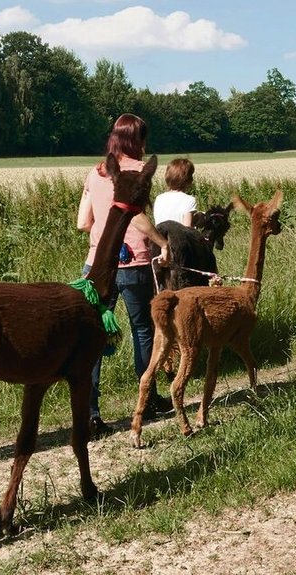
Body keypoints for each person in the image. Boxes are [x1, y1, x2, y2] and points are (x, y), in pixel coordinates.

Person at [77, 114, 172, 436]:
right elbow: (137, 218)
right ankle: (149, 398)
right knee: (143, 329)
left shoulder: (96, 172)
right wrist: (163, 242)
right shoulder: (137, 172)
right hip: (133, 263)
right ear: (137, 140)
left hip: (96, 265)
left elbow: (82, 222)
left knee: (93, 337)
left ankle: (90, 412)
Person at [154, 158, 197, 227]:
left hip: (160, 237)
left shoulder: (159, 198)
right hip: (178, 237)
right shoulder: (189, 200)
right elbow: (187, 229)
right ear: (188, 180)